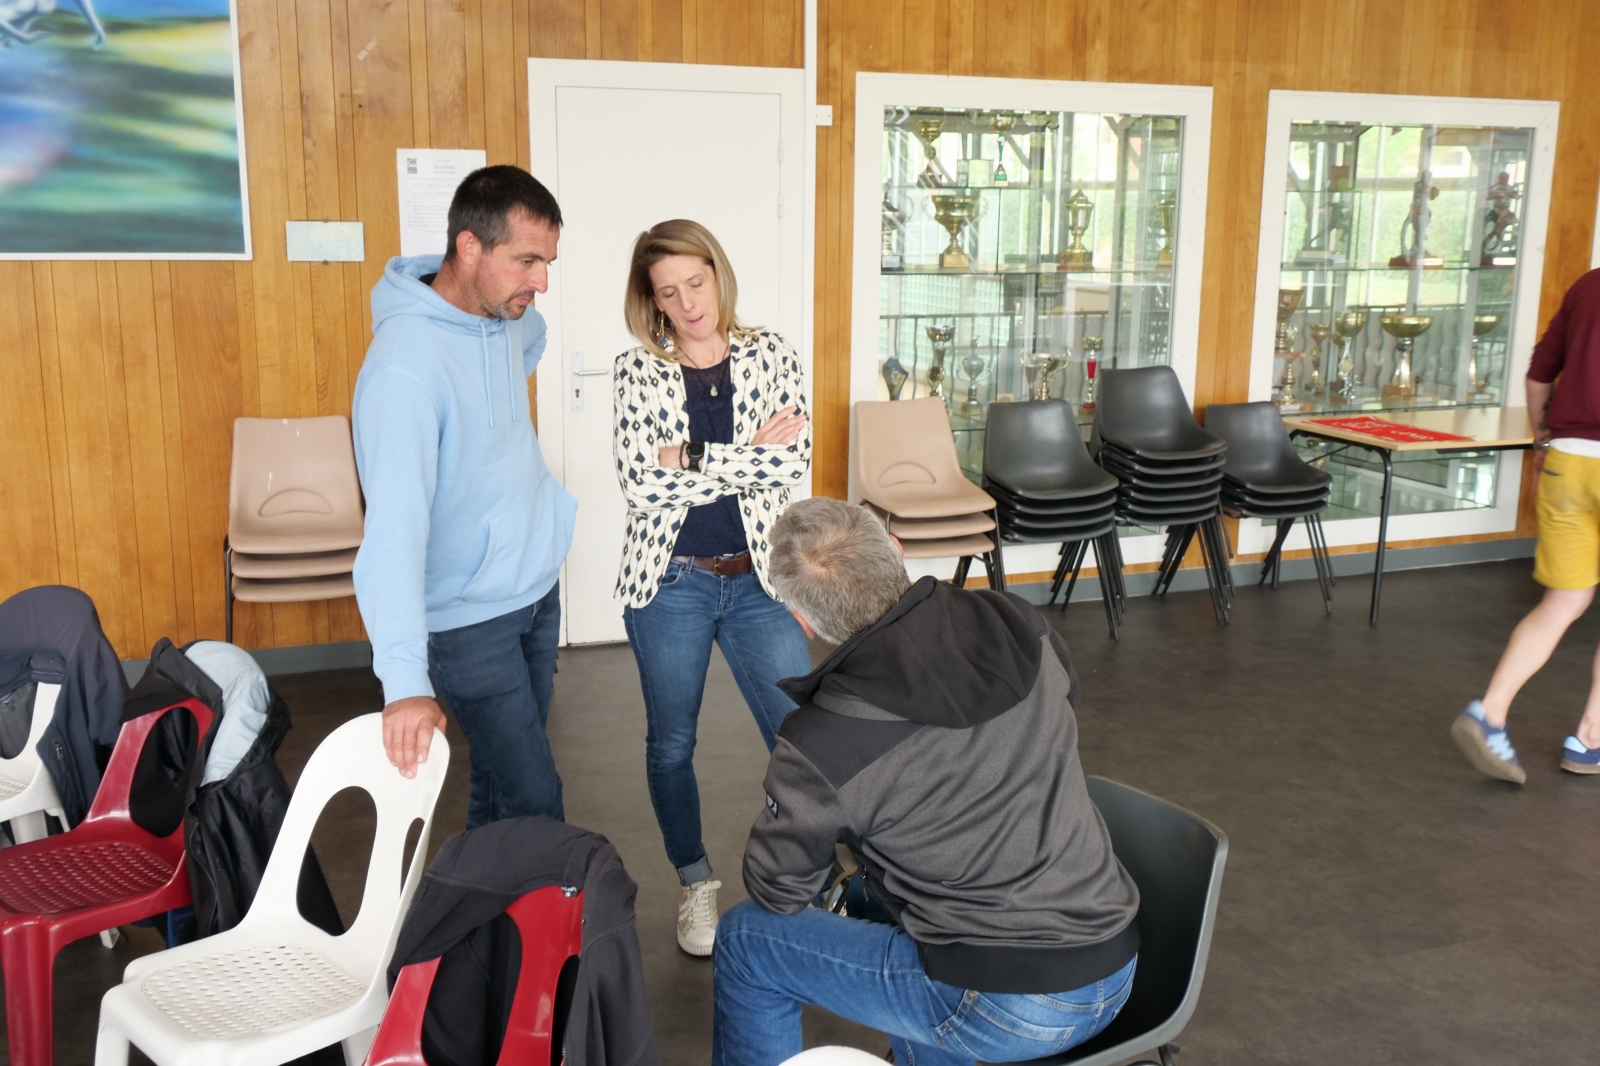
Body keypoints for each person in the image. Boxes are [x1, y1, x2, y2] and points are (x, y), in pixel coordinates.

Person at [713, 497, 1141, 1066]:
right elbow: (1063, 702)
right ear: (895, 550)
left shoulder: (821, 742)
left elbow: (779, 891)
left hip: (1004, 1007)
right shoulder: (1016, 621)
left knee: (745, 940)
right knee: (883, 900)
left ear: (804, 621)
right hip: (1115, 960)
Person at [353, 165, 577, 827]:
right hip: (467, 621)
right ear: (469, 247)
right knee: (536, 800)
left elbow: (529, 340)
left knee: (498, 785)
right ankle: (534, 900)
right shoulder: (403, 369)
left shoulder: (505, 316)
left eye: (547, 262)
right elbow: (393, 534)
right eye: (527, 261)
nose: (541, 281)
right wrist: (403, 683)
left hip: (534, 589)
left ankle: (483, 895)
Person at [612, 219, 813, 956]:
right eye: (669, 293)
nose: (688, 303)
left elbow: (791, 464)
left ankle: (807, 872)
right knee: (672, 743)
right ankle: (695, 883)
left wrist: (690, 456)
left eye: (696, 283)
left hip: (759, 579)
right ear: (653, 301)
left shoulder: (772, 353)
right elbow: (640, 484)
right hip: (672, 582)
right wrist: (745, 453)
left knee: (802, 737)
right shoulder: (637, 370)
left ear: (717, 274)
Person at [1454, 268, 1600, 783]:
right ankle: (1590, 737)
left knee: (1562, 601)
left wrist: (1542, 444)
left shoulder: (1589, 285)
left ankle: (1490, 712)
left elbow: (1540, 373)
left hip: (1568, 460)